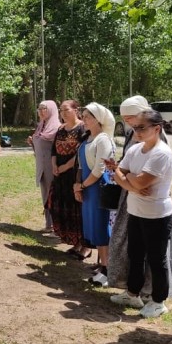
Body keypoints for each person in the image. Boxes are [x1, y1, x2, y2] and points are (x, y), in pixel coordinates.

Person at [107, 96, 172, 303]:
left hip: (156, 214)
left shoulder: (162, 153)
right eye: (134, 127)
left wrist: (129, 179)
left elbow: (139, 182)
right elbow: (118, 174)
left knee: (157, 259)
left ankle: (158, 301)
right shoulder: (134, 149)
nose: (137, 131)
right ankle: (132, 293)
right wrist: (131, 181)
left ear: (157, 128)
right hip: (136, 211)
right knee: (135, 255)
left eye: (142, 127)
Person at [73, 103, 115, 286]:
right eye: (83, 116)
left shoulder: (103, 139)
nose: (84, 120)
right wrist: (77, 186)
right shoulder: (87, 138)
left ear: (98, 119)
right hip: (86, 187)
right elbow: (81, 165)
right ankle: (102, 265)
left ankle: (108, 269)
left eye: (88, 116)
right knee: (93, 227)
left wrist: (82, 185)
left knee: (101, 227)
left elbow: (99, 169)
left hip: (98, 188)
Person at [47, 100, 88, 259]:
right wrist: (54, 165)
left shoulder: (82, 128)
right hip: (59, 176)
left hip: (74, 174)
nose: (63, 113)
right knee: (61, 206)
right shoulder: (61, 129)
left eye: (66, 109)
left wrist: (65, 167)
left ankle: (85, 246)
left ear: (76, 110)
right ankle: (75, 243)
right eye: (60, 110)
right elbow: (53, 150)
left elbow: (80, 153)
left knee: (78, 210)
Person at [28, 100, 60, 232]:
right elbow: (39, 148)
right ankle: (49, 223)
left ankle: (56, 225)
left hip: (51, 167)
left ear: (52, 110)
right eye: (39, 109)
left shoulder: (57, 127)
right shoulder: (41, 125)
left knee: (53, 194)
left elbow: (58, 150)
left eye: (44, 109)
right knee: (45, 193)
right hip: (41, 166)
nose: (41, 111)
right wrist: (32, 143)